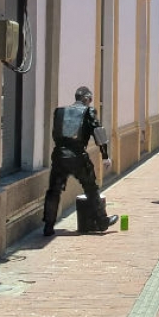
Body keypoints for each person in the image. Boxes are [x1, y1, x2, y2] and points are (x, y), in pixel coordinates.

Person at [42, 87, 119, 236]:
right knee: (91, 188)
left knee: (54, 190)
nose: (90, 103)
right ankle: (102, 221)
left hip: (59, 155)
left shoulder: (60, 112)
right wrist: (105, 156)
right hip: (77, 156)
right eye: (90, 100)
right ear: (86, 98)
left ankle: (48, 226)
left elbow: (55, 134)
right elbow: (100, 136)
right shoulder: (88, 112)